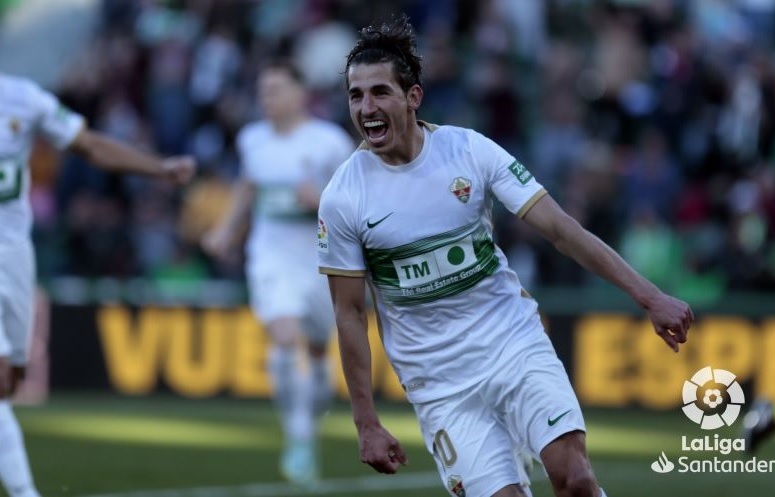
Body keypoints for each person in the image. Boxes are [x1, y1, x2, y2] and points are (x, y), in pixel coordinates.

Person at [317, 15, 694, 497]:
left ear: (413, 98)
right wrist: (365, 422)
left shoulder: (469, 152)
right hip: (439, 386)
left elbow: (561, 229)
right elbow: (348, 313)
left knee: (575, 478)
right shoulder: (343, 197)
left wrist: (650, 297)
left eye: (379, 92)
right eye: (356, 95)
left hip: (513, 345)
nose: (366, 107)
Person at [0, 71, 195, 497]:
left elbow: (90, 145)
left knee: (9, 379)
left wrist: (158, 168)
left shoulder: (23, 99)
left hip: (12, 256)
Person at [202, 59, 354, 485]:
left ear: (298, 94)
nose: (266, 98)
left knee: (321, 350)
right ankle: (300, 438)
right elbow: (246, 187)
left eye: (274, 90)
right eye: (262, 91)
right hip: (269, 255)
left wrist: (321, 199)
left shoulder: (330, 142)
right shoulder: (253, 140)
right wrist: (225, 230)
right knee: (285, 337)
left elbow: (355, 200)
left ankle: (309, 419)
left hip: (319, 260)